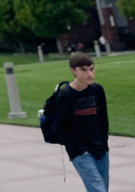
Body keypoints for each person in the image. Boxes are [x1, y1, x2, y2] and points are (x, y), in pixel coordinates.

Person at [51, 52, 109, 192]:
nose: (90, 73)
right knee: (97, 188)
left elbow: (103, 119)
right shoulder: (65, 95)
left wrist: (104, 142)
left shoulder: (97, 90)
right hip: (81, 152)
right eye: (84, 70)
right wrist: (78, 150)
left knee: (103, 187)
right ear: (73, 71)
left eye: (91, 69)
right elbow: (59, 127)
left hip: (100, 148)